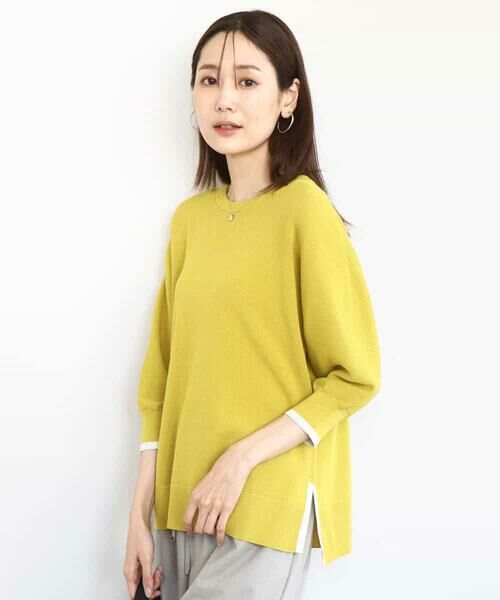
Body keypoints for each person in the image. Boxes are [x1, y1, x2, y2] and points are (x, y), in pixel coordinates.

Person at [123, 9, 381, 600]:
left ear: (289, 98)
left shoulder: (304, 211)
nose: (224, 99)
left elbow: (354, 376)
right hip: (177, 509)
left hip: (262, 505)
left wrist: (239, 459)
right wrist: (138, 515)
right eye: (209, 80)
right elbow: (160, 380)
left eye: (246, 81)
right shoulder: (190, 223)